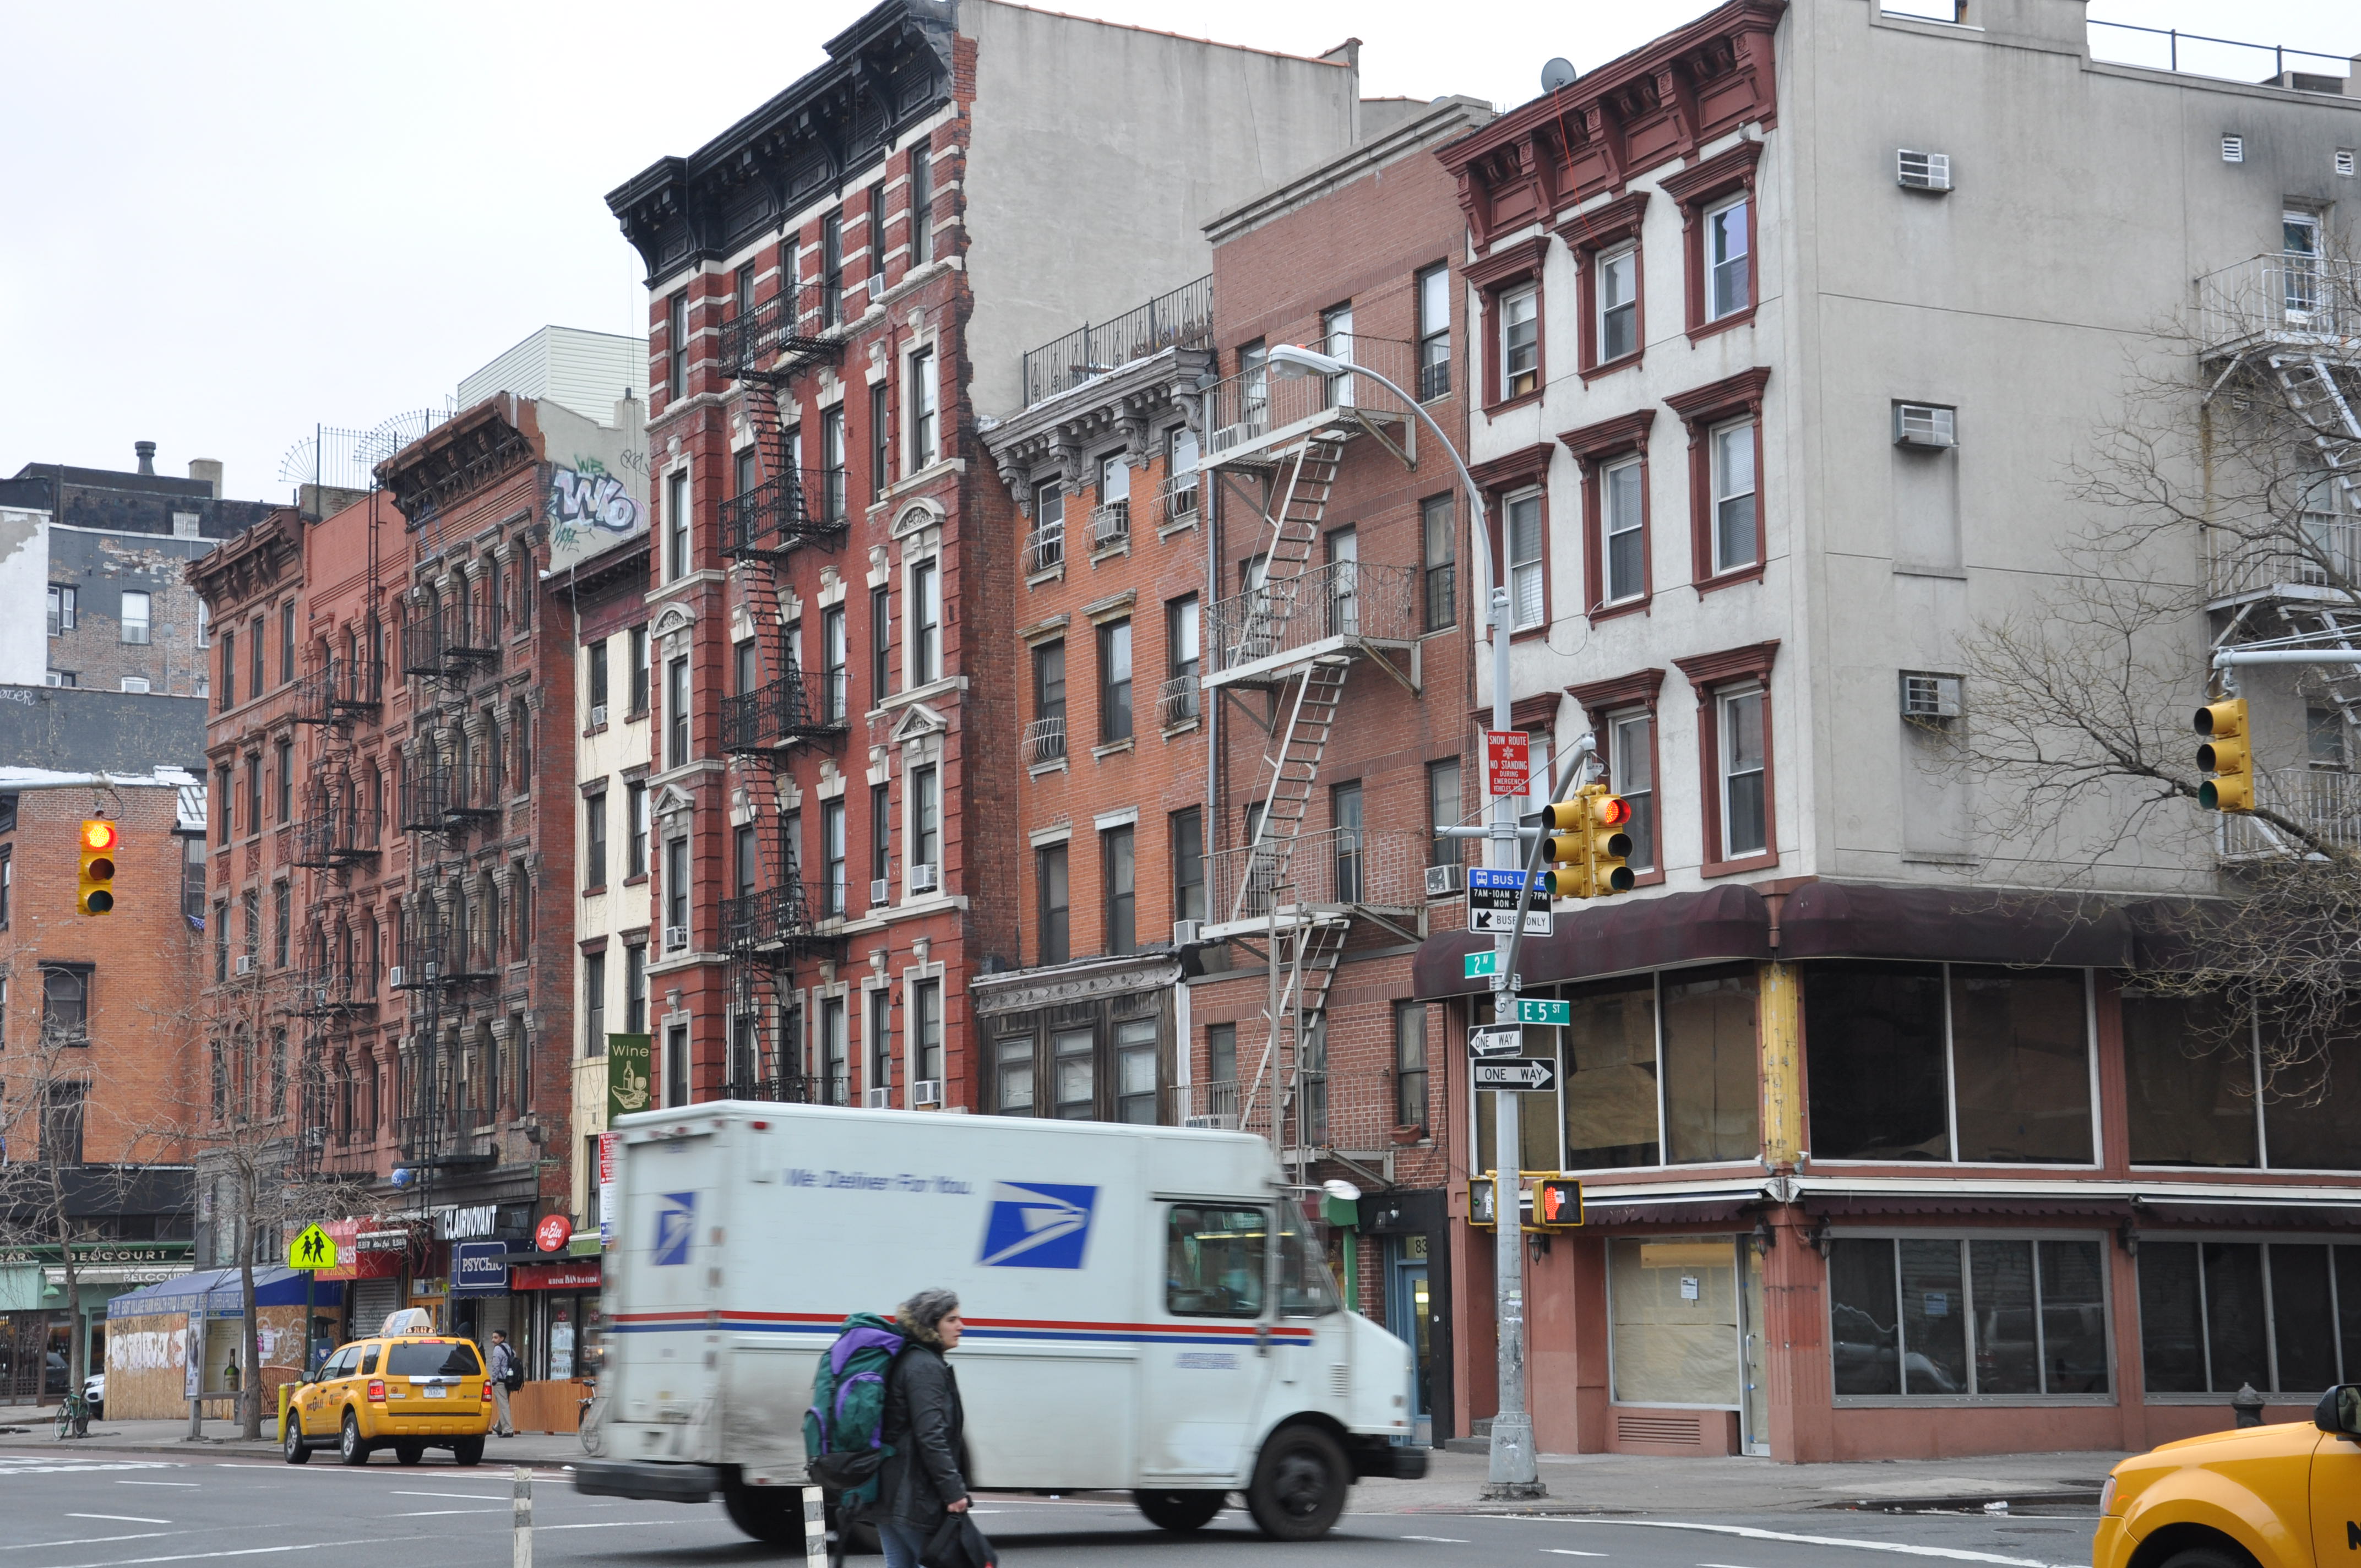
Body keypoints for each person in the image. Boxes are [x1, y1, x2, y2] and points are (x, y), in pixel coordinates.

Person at [875, 1288, 969, 1568]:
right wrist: (953, 1492)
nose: (961, 1326)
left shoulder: (907, 1358)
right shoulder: (925, 1367)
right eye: (952, 1320)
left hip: (890, 1491)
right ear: (931, 1324)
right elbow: (931, 1435)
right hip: (913, 1495)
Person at [486, 1330, 516, 1438]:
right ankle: (499, 1427)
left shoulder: (498, 1349)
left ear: (502, 1338)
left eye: (496, 1338)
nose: (493, 1340)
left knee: (504, 1406)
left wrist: (494, 1380)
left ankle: (508, 1430)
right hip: (509, 1380)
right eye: (493, 1337)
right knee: (504, 1404)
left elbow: (496, 1366)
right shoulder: (510, 1348)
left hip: (500, 1381)